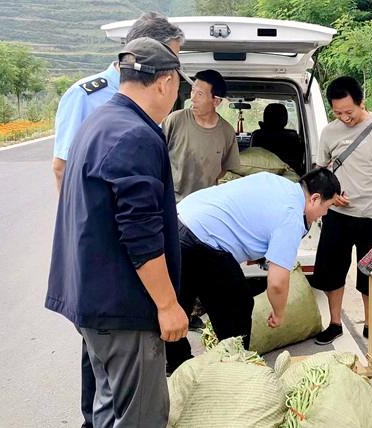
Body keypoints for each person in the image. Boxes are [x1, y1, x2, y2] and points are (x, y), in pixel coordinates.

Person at [48, 13, 184, 428]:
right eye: (178, 87)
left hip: (93, 301)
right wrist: (168, 305)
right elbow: (140, 235)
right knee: (140, 416)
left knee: (109, 409)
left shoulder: (99, 121)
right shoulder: (135, 135)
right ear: (165, 83)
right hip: (124, 307)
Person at [164, 168, 341, 371]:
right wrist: (279, 313)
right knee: (237, 306)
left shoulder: (276, 183)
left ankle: (177, 364)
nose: (324, 214)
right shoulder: (292, 216)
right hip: (202, 240)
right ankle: (236, 369)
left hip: (176, 221)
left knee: (178, 304)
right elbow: (277, 283)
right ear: (315, 199)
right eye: (328, 206)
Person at [311, 76, 372, 347]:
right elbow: (321, 171)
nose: (344, 118)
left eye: (348, 112)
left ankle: (370, 326)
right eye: (338, 113)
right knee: (332, 272)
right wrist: (331, 197)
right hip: (338, 217)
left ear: (361, 102)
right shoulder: (329, 132)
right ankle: (334, 323)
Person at [52, 11, 184, 191]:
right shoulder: (83, 95)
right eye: (171, 59)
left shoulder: (156, 93)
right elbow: (62, 167)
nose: (173, 69)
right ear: (143, 50)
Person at [162, 69, 240, 201]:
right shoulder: (175, 120)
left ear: (216, 101)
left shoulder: (226, 132)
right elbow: (156, 156)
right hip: (172, 202)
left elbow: (224, 169)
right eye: (193, 91)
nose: (193, 98)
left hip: (205, 203)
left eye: (200, 94)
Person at [251, 103, 304, 173]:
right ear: (285, 120)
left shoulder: (257, 135)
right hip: (290, 174)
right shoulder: (292, 137)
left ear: (265, 118)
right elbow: (298, 161)